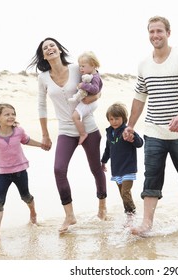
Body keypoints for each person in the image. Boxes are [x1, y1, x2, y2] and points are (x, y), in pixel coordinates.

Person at [123, 16, 178, 236]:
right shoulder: (144, 64)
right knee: (152, 176)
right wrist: (130, 125)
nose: (155, 35)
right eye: (151, 32)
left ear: (168, 32)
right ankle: (147, 223)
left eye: (159, 31)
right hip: (154, 131)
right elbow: (140, 96)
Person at [27, 37, 107, 233]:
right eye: (45, 48)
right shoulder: (43, 77)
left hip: (88, 127)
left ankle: (102, 207)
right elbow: (41, 105)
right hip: (65, 130)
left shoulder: (75, 69)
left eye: (52, 45)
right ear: (43, 55)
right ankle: (70, 215)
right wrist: (45, 134)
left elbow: (96, 88)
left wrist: (93, 99)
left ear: (59, 50)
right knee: (59, 169)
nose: (49, 48)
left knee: (96, 168)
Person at [0, 103, 45, 241]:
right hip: (2, 173)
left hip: (20, 171)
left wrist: (41, 145)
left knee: (26, 196)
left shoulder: (18, 131)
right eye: (7, 114)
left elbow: (27, 140)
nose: (11, 116)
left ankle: (33, 213)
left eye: (13, 114)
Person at [101, 102, 143, 223]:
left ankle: (131, 213)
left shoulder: (127, 130)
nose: (114, 121)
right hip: (117, 169)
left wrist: (133, 136)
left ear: (123, 118)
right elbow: (108, 149)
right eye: (111, 119)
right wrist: (103, 161)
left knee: (125, 192)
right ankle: (129, 212)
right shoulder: (110, 133)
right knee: (122, 193)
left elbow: (140, 143)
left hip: (128, 167)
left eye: (117, 118)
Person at [68, 51, 102, 145]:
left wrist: (83, 85)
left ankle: (83, 134)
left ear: (93, 65)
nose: (81, 68)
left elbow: (95, 89)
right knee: (82, 116)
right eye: (80, 66)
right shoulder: (91, 75)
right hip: (90, 101)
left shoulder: (95, 77)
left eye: (83, 66)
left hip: (90, 102)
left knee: (75, 117)